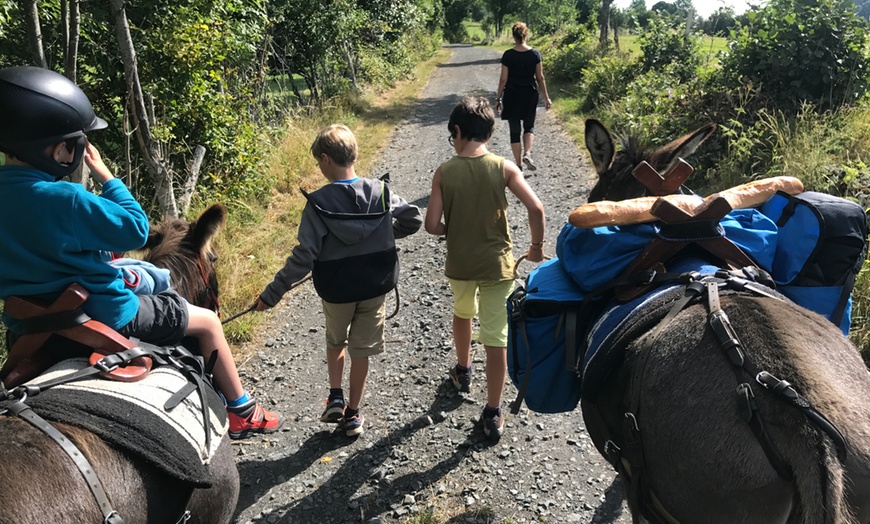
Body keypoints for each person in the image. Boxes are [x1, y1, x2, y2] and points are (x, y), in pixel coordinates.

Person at [0, 65, 283, 440]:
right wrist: (106, 176)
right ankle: (243, 410)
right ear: (59, 150)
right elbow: (134, 229)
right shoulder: (66, 199)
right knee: (209, 323)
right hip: (106, 315)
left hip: (26, 329)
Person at [255, 124, 422, 437]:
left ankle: (335, 395)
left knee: (336, 341)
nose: (319, 167)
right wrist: (386, 234)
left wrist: (272, 294)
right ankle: (354, 414)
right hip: (375, 284)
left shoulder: (318, 203)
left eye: (319, 161)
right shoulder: (380, 191)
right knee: (362, 349)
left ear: (327, 158)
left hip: (336, 288)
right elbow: (413, 218)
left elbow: (304, 257)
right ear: (354, 155)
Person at [425, 96, 545, 441]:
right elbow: (536, 209)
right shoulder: (505, 167)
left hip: (460, 265)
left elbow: (432, 225)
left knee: (463, 313)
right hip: (497, 267)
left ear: (458, 132)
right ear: (490, 134)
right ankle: (493, 411)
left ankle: (463, 370)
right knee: (496, 338)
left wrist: (456, 225)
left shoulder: (444, 172)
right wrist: (535, 248)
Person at [495, 21, 552, 172]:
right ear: (526, 35)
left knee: (514, 130)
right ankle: (527, 153)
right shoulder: (535, 54)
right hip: (529, 94)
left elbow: (503, 79)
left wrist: (498, 97)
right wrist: (546, 97)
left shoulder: (508, 55)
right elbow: (540, 78)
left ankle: (518, 165)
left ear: (514, 37)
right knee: (529, 127)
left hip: (512, 94)